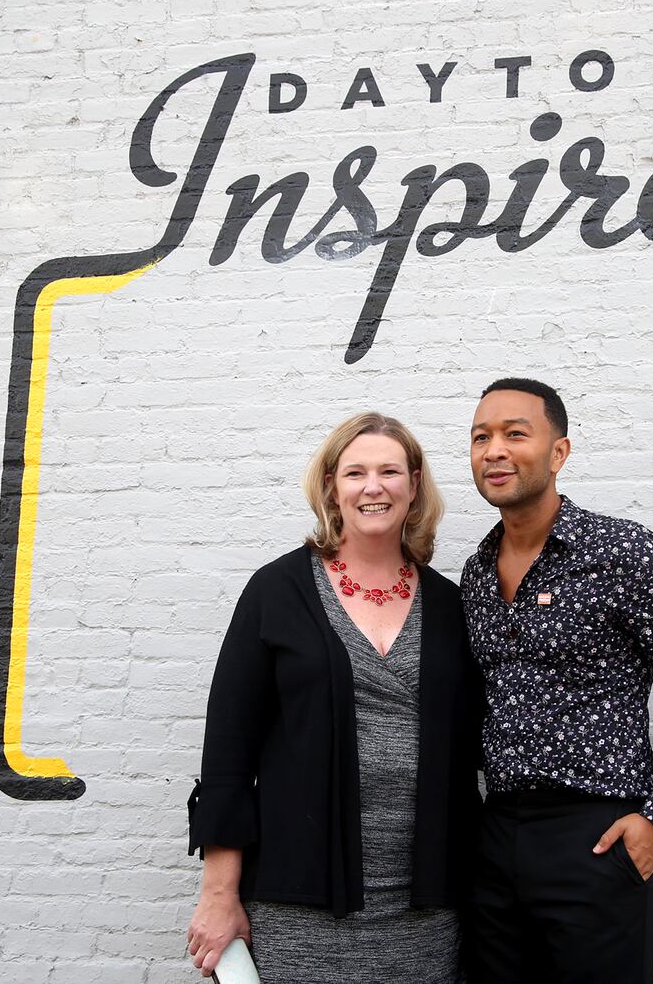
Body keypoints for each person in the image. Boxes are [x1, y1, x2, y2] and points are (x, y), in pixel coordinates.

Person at [185, 412, 483, 982]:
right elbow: (227, 758)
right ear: (331, 486)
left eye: (390, 471)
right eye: (356, 473)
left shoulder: (450, 606)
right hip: (299, 903)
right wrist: (219, 895)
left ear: (414, 485)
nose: (374, 487)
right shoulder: (276, 592)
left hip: (426, 909)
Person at [461, 377, 653, 984]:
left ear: (559, 453)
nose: (494, 450)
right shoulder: (476, 572)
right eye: (481, 437)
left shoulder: (620, 552)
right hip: (498, 835)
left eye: (514, 434)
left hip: (599, 836)